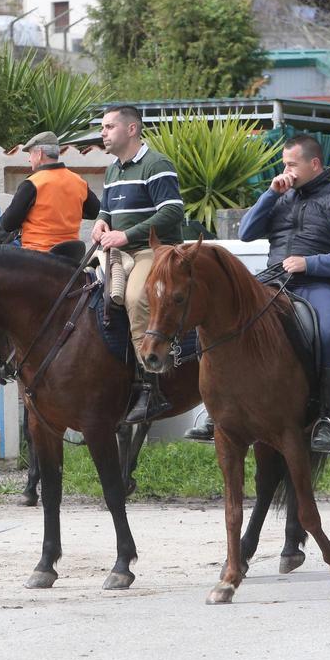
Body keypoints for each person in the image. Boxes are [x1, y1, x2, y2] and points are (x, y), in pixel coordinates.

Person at [186, 133, 330, 449]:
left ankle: (327, 416)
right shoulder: (281, 196)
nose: (285, 171)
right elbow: (245, 233)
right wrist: (269, 194)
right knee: (224, 321)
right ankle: (219, 411)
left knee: (327, 334)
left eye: (291, 164)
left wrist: (309, 263)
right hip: (273, 281)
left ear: (313, 164)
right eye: (284, 164)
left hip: (318, 285)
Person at [91, 105, 184, 424]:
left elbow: (172, 212)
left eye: (108, 127)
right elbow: (106, 210)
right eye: (102, 127)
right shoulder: (113, 170)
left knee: (134, 298)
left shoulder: (157, 164)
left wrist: (125, 234)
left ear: (131, 130)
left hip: (154, 251)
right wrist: (101, 224)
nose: (102, 132)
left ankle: (150, 386)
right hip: (120, 250)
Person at [0, 131, 101, 254]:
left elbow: (8, 224)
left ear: (39, 154)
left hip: (37, 254)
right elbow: (94, 212)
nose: (29, 159)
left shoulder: (32, 183)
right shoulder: (78, 181)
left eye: (30, 154)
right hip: (71, 255)